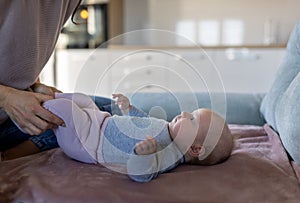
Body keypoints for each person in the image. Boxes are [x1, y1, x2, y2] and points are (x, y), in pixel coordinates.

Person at [42, 92, 233, 182]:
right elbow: (143, 121)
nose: (183, 112)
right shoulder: (167, 128)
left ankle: (42, 104)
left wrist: (142, 155)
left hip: (89, 142)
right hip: (100, 121)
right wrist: (128, 108)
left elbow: (141, 175)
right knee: (82, 100)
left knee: (64, 110)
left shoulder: (169, 155)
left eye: (191, 119)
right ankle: (49, 96)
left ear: (195, 149)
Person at [0, 0, 107, 160]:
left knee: (108, 111)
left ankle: (12, 154)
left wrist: (33, 85)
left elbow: (19, 45)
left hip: (8, 122)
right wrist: (6, 97)